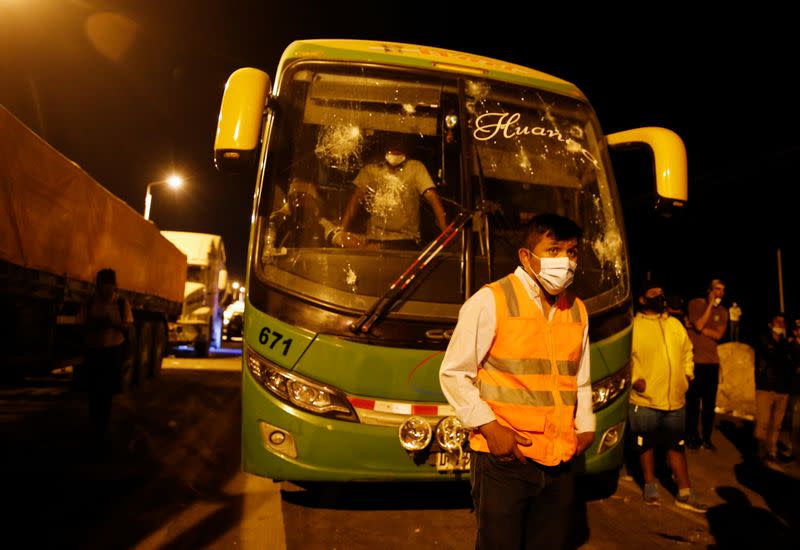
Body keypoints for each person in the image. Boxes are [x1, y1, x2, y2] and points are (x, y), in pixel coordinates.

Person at [439, 213, 595, 549]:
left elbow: (579, 377)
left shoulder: (577, 310)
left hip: (559, 459)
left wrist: (585, 424)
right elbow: (454, 372)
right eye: (553, 250)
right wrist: (491, 430)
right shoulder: (490, 300)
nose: (565, 262)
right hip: (505, 459)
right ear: (526, 256)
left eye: (572, 252)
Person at [629, 281, 708, 513]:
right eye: (653, 293)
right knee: (646, 445)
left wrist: (688, 373)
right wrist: (636, 379)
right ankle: (650, 484)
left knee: (677, 446)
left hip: (676, 400)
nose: (659, 296)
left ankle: (684, 493)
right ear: (643, 299)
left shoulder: (675, 324)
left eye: (661, 292)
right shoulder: (634, 326)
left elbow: (687, 351)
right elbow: (626, 357)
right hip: (646, 400)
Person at [340, 136, 447, 250]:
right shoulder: (371, 170)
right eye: (392, 140)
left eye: (399, 140)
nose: (395, 145)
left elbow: (432, 197)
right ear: (385, 143)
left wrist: (445, 231)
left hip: (406, 242)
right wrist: (342, 231)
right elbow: (356, 199)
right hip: (375, 243)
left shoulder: (416, 168)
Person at [77, 268, 133, 445]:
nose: (105, 289)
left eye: (108, 285)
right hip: (94, 351)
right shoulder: (90, 302)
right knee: (93, 392)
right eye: (102, 285)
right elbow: (79, 324)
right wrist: (93, 325)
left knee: (106, 393)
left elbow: (128, 327)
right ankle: (95, 426)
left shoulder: (121, 303)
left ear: (114, 286)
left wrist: (114, 324)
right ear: (98, 285)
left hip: (112, 352)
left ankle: (102, 428)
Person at [685, 279, 728, 450]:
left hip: (712, 363)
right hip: (696, 362)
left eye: (723, 290)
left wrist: (699, 329)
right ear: (709, 290)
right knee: (693, 403)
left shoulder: (724, 312)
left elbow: (718, 335)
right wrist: (709, 305)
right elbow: (700, 323)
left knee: (709, 404)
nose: (720, 293)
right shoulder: (696, 304)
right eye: (717, 289)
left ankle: (707, 437)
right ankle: (691, 436)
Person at [754, 313, 793, 464]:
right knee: (763, 422)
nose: (780, 324)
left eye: (783, 322)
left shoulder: (787, 343)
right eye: (777, 321)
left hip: (783, 389)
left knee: (776, 425)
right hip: (766, 386)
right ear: (770, 324)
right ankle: (760, 452)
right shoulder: (763, 339)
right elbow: (772, 355)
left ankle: (772, 452)